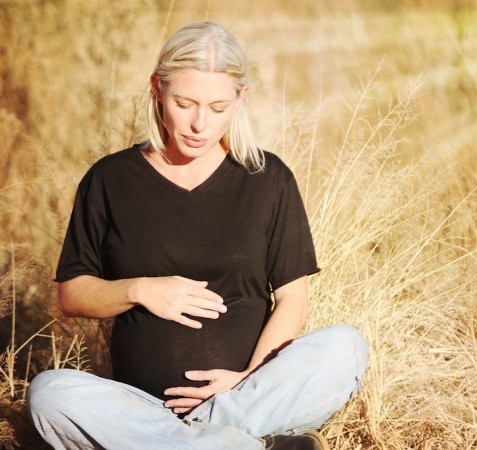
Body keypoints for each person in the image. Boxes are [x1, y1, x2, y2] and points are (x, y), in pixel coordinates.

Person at [27, 21, 368, 450]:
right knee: (49, 395)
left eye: (218, 106)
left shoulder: (268, 179)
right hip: (144, 409)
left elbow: (292, 300)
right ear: (157, 89)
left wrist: (246, 381)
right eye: (184, 103)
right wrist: (141, 289)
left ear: (241, 98)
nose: (199, 124)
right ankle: (244, 444)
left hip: (246, 396)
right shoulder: (110, 179)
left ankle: (211, 435)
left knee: (346, 348)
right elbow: (72, 294)